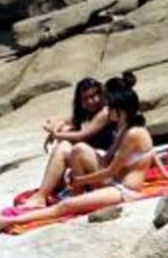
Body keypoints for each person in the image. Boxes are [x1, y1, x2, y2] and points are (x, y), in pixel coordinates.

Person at [0, 72, 168, 230]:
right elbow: (110, 158)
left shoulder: (134, 133)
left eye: (111, 107)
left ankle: (9, 220)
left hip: (124, 191)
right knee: (79, 151)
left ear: (119, 109)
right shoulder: (126, 127)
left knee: (66, 205)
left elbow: (111, 170)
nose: (107, 110)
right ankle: (63, 197)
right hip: (114, 183)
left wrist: (78, 180)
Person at [17, 77, 115, 209]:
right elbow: (59, 121)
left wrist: (57, 135)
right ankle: (43, 194)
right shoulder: (86, 113)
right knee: (65, 140)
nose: (92, 101)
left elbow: (83, 135)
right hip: (96, 162)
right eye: (86, 98)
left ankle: (42, 195)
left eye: (94, 96)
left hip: (108, 168)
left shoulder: (105, 112)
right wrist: (57, 127)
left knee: (68, 145)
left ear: (101, 94)